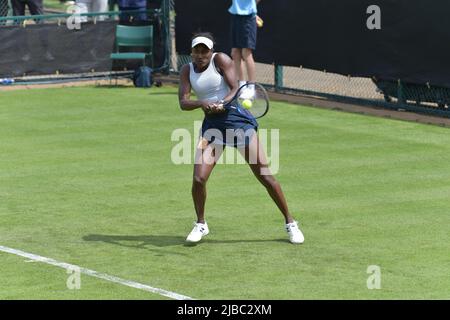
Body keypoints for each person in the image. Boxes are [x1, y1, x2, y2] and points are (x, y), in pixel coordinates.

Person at [178, 32, 304, 244]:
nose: (200, 55)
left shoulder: (221, 60)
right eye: (196, 50)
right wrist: (203, 104)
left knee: (265, 175)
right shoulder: (186, 70)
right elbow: (183, 102)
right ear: (191, 52)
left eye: (204, 50)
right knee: (199, 178)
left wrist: (223, 103)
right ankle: (201, 224)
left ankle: (291, 223)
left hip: (238, 124)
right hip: (211, 128)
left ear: (211, 51)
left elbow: (236, 88)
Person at [229, 0, 261, 99]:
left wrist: (253, 11)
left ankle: (251, 88)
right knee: (235, 52)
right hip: (236, 15)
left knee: (246, 52)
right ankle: (242, 87)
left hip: (248, 17)